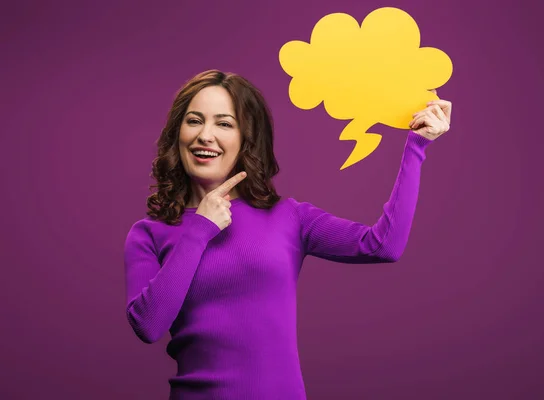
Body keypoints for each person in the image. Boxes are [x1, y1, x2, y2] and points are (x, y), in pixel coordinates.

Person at [123, 69, 452, 400]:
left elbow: (383, 246)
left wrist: (417, 146)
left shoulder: (288, 217)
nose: (205, 135)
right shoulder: (149, 235)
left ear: (246, 137)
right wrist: (200, 229)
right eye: (194, 120)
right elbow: (148, 325)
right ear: (177, 132)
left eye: (224, 123)